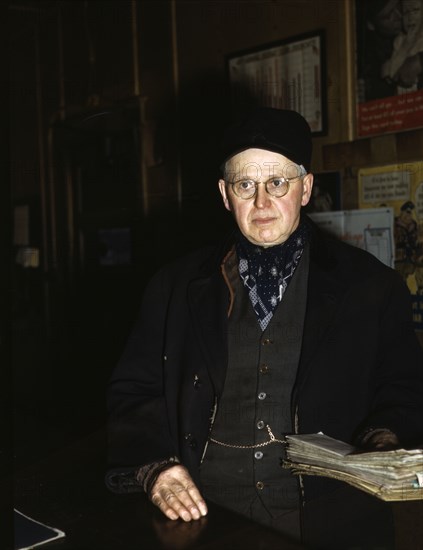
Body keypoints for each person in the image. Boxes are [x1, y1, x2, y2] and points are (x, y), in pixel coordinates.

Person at [106, 108, 423, 549]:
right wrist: (156, 467)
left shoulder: (372, 286)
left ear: (306, 187)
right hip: (204, 519)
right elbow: (133, 392)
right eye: (245, 185)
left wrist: (383, 437)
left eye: (278, 183)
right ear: (224, 194)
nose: (261, 203)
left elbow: (404, 387)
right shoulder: (172, 287)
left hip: (330, 522)